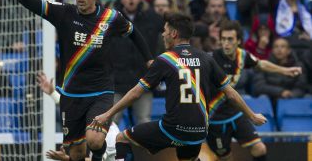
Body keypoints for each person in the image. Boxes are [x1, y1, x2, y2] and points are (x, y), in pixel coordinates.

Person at [18, 0, 152, 161]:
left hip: (101, 92)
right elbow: (26, 0)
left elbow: (134, 33)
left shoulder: (111, 18)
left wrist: (149, 59)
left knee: (95, 141)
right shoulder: (63, 13)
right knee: (77, 154)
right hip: (71, 94)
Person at [92, 13, 267, 161]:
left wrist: (108, 114)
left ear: (174, 33)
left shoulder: (166, 59)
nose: (163, 34)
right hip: (199, 131)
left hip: (173, 128)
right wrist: (252, 115)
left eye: (165, 30)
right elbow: (231, 93)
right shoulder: (206, 58)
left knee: (121, 138)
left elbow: (137, 92)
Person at [207, 20, 302, 161]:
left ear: (238, 40)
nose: (226, 43)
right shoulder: (212, 60)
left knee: (259, 149)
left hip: (235, 114)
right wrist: (252, 116)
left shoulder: (242, 56)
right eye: (223, 39)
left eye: (230, 39)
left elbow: (260, 64)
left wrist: (285, 71)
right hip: (215, 120)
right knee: (226, 158)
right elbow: (230, 95)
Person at [37, 72, 118, 161]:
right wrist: (53, 93)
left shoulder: (109, 137)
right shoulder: (94, 120)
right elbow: (73, 109)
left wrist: (66, 159)